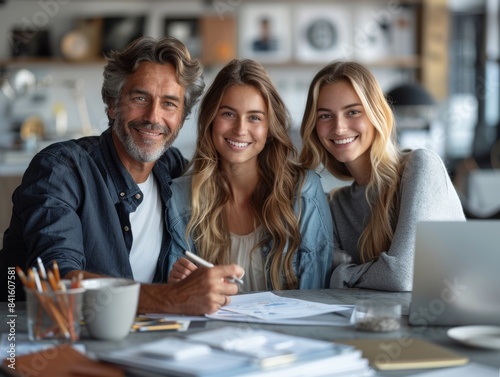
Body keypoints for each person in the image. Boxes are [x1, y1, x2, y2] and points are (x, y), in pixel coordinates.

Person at [0, 36, 243, 314]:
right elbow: (58, 283)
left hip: (141, 340)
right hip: (43, 341)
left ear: (181, 117)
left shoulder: (172, 168)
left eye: (169, 104)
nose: (153, 117)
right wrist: (172, 297)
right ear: (113, 104)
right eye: (140, 98)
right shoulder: (61, 169)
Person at [167, 59, 333, 292]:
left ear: (269, 127)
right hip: (212, 327)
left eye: (254, 117)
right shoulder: (180, 198)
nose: (240, 129)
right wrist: (180, 286)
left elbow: (315, 296)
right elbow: (180, 295)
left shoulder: (303, 191)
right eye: (228, 114)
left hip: (287, 328)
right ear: (211, 119)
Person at [299, 60, 466, 292]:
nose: (339, 128)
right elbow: (323, 274)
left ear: (376, 114)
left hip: (451, 323)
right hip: (379, 324)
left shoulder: (420, 167)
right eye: (325, 116)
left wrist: (343, 275)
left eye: (353, 112)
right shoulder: (336, 204)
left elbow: (401, 276)